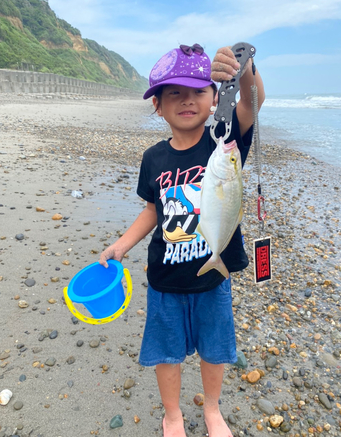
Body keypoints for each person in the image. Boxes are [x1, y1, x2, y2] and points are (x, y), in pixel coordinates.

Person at [99, 43, 265, 437]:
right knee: (167, 354)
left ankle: (212, 410)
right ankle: (172, 414)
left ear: (214, 100)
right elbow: (152, 211)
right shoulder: (153, 158)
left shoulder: (224, 143)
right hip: (165, 281)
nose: (187, 100)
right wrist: (121, 246)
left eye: (198, 91)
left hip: (213, 280)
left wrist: (244, 68)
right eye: (174, 92)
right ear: (157, 105)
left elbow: (253, 101)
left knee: (215, 350)